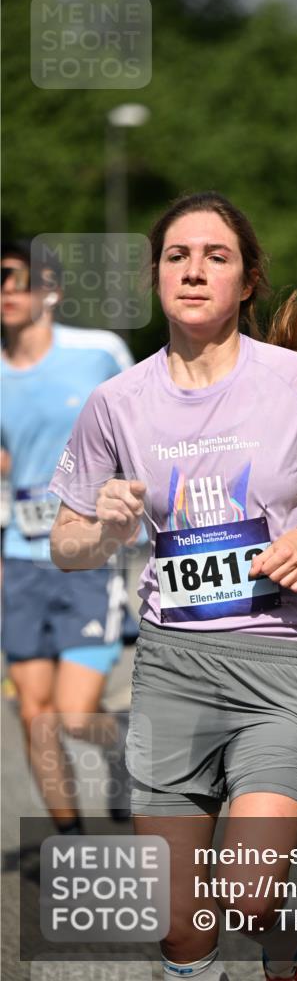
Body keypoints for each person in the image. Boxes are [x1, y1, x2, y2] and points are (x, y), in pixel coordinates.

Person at [48, 192, 297, 981]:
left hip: (274, 670)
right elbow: (65, 545)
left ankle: (288, 944)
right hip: (172, 670)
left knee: (246, 892)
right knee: (178, 929)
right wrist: (102, 527)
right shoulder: (117, 403)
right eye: (176, 256)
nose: (194, 270)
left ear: (247, 281)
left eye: (216, 256)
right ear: (155, 278)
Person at [1, 239, 134, 833]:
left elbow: (150, 420)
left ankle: (122, 743)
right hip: (21, 556)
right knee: (34, 715)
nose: (6, 292)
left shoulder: (97, 352)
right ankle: (71, 838)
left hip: (88, 553)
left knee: (75, 714)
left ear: (48, 289)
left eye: (15, 279)